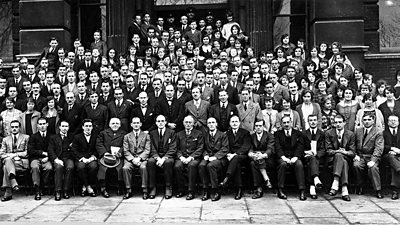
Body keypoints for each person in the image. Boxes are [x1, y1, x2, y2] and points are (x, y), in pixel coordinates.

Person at [275, 115, 306, 200]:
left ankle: (302, 190)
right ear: (281, 124)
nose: (286, 124)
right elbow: (277, 147)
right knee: (282, 165)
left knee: (299, 164)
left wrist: (295, 157)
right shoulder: (277, 134)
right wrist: (283, 157)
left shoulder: (298, 134)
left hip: (294, 156)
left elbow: (300, 146)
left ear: (291, 123)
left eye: (288, 122)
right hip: (283, 157)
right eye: (284, 123)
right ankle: (280, 189)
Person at [220, 115, 252, 200]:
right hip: (230, 157)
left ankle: (227, 178)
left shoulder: (245, 132)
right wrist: (228, 154)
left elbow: (246, 146)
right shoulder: (227, 133)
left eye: (236, 121)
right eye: (232, 122)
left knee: (236, 159)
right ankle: (239, 189)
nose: (234, 123)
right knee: (236, 164)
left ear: (239, 123)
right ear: (230, 123)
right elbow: (225, 146)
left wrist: (235, 154)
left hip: (242, 156)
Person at [325, 114, 355, 201]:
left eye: (340, 122)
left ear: (344, 123)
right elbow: (328, 150)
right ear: (333, 124)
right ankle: (344, 190)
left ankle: (335, 182)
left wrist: (344, 152)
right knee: (340, 157)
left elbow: (352, 152)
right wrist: (337, 151)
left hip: (346, 158)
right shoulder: (328, 133)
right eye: (336, 122)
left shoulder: (350, 134)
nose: (338, 124)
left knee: (342, 158)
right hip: (332, 159)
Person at [353, 114, 384, 198]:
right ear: (362, 121)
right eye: (365, 120)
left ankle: (378, 190)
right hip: (361, 156)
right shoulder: (358, 131)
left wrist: (373, 160)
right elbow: (353, 145)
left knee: (373, 168)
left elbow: (379, 148)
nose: (367, 121)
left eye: (369, 119)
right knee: (356, 165)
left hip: (372, 156)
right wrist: (356, 155)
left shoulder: (378, 131)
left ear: (373, 121)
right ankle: (360, 186)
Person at [174, 115, 204, 200]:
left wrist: (191, 157)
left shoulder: (198, 134)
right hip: (182, 157)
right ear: (183, 123)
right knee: (177, 166)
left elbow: (200, 148)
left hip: (194, 157)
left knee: (192, 166)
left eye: (190, 122)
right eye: (186, 122)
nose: (188, 124)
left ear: (193, 124)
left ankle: (191, 191)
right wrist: (181, 157)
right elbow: (176, 148)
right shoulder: (179, 134)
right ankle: (181, 189)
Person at [199, 117, 228, 201]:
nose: (211, 124)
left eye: (213, 122)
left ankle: (215, 190)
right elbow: (202, 147)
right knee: (201, 165)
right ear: (207, 125)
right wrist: (206, 155)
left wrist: (215, 157)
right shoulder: (205, 135)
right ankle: (206, 190)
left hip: (220, 158)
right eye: (209, 123)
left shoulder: (223, 135)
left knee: (211, 166)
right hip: (209, 157)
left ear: (216, 124)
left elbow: (225, 148)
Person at [148, 114, 176, 199]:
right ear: (156, 123)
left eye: (162, 121)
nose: (160, 123)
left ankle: (168, 187)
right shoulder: (152, 133)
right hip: (156, 155)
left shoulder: (171, 132)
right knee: (150, 162)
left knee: (168, 163)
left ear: (166, 122)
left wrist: (163, 158)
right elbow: (151, 147)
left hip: (167, 156)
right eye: (158, 121)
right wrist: (157, 157)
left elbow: (173, 148)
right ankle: (153, 187)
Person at [97, 118, 126, 198]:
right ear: (109, 125)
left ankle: (119, 187)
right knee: (103, 168)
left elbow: (125, 145)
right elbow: (99, 144)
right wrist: (104, 153)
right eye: (113, 123)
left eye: (117, 123)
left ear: (120, 125)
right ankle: (103, 188)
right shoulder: (103, 133)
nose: (115, 125)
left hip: (118, 157)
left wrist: (120, 152)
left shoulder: (124, 134)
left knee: (120, 168)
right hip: (106, 157)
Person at [0, 120, 29, 201]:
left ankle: (9, 190)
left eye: (16, 127)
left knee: (6, 166)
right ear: (10, 128)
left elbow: (27, 152)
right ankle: (13, 181)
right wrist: (11, 156)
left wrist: (16, 155)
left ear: (19, 128)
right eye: (12, 127)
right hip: (10, 162)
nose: (14, 128)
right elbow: (1, 153)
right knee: (7, 162)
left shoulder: (26, 137)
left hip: (21, 162)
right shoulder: (5, 139)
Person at [122, 117, 150, 200]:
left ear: (141, 124)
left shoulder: (146, 135)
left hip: (142, 158)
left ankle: (145, 190)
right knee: (125, 168)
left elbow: (147, 150)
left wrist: (139, 159)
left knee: (143, 167)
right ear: (131, 125)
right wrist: (132, 159)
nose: (136, 125)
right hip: (130, 158)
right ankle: (128, 190)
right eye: (134, 123)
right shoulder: (127, 136)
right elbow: (126, 150)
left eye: (138, 123)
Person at [48, 120, 74, 201]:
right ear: (59, 127)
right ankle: (58, 191)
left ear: (68, 127)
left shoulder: (72, 137)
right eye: (63, 126)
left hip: (68, 158)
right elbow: (50, 150)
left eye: (66, 126)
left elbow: (75, 149)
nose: (64, 128)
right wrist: (56, 159)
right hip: (58, 158)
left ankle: (66, 190)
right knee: (59, 168)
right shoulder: (54, 138)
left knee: (70, 167)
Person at [71, 119, 98, 197]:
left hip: (91, 158)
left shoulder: (96, 136)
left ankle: (85, 186)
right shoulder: (77, 137)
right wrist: (82, 158)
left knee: (93, 167)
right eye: (86, 126)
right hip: (81, 158)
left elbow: (97, 149)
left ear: (92, 127)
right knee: (81, 167)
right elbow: (74, 150)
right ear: (83, 127)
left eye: (90, 126)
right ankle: (88, 186)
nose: (88, 128)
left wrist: (92, 158)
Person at [28, 117, 52, 200]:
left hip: (47, 159)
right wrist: (42, 153)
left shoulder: (51, 136)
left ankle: (43, 185)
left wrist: (48, 157)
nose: (42, 126)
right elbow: (30, 150)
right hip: (35, 158)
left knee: (49, 168)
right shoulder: (33, 137)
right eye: (40, 124)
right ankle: (37, 190)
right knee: (35, 167)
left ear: (47, 125)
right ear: (37, 126)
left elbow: (54, 149)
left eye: (44, 124)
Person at [249, 120, 275, 199]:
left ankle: (259, 187)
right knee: (253, 163)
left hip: (267, 159)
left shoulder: (269, 135)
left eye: (260, 126)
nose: (258, 127)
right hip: (255, 157)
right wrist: (251, 154)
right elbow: (250, 147)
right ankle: (262, 183)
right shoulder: (251, 136)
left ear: (263, 127)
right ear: (254, 127)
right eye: (256, 126)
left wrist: (263, 155)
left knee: (255, 163)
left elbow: (270, 148)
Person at [302, 115, 325, 199]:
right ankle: (315, 178)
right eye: (311, 120)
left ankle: (312, 186)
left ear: (317, 121)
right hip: (307, 157)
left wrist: (316, 154)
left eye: (314, 120)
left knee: (312, 161)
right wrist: (306, 152)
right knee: (311, 159)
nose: (313, 122)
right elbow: (300, 147)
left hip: (318, 157)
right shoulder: (304, 133)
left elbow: (323, 148)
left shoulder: (322, 133)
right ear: (308, 122)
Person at [383, 115, 400, 200]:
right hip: (387, 155)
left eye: (395, 120)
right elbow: (381, 146)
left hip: (399, 155)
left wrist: (398, 151)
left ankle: (395, 191)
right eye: (391, 120)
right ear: (388, 122)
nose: (393, 122)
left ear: (398, 122)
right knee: (391, 157)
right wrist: (391, 148)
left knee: (395, 167)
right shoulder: (383, 133)